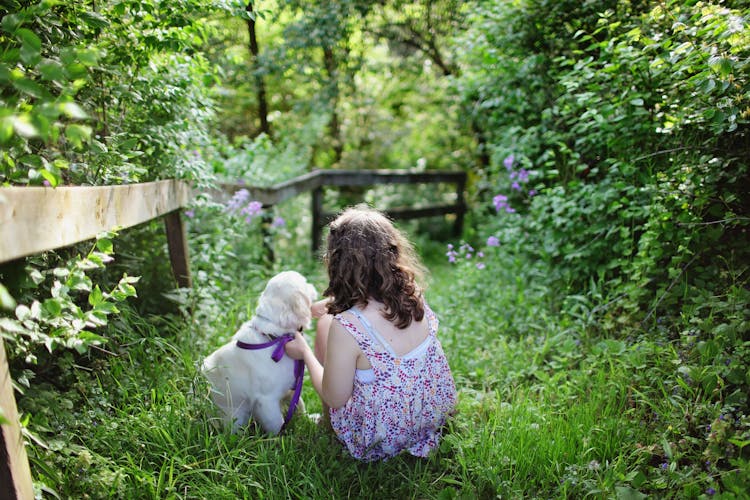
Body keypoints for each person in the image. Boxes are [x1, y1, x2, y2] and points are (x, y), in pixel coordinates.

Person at [284, 205, 457, 461]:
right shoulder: (413, 296)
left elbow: (335, 397)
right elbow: (374, 313)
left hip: (381, 438)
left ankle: (328, 424)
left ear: (339, 262)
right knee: (330, 323)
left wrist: (305, 354)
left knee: (325, 326)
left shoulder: (346, 326)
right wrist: (335, 304)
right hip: (431, 417)